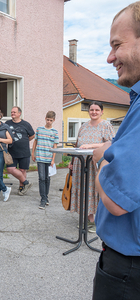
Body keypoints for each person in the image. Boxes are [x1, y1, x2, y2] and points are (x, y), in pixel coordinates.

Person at [92, 2, 140, 299]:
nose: (110, 57)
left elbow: (115, 201)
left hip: (127, 269)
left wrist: (102, 157)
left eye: (116, 45)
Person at [68, 102, 115, 233]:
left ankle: (96, 220)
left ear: (102, 111)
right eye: (91, 110)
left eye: (97, 110)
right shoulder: (83, 126)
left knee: (94, 190)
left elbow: (111, 143)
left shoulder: (106, 125)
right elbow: (77, 144)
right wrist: (72, 162)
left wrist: (90, 145)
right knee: (81, 189)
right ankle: (86, 218)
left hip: (95, 164)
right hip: (80, 163)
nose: (94, 112)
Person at [32, 111, 59, 210]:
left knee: (47, 178)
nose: (49, 122)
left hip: (49, 158)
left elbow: (55, 146)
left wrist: (53, 159)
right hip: (40, 156)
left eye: (51, 120)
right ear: (45, 118)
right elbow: (35, 141)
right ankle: (43, 199)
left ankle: (46, 197)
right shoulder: (39, 129)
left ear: (54, 120)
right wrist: (32, 153)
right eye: (47, 120)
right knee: (41, 178)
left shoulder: (55, 132)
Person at [6, 106, 35, 195]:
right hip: (12, 151)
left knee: (22, 170)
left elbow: (32, 135)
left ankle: (22, 187)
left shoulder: (26, 124)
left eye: (14, 112)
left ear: (19, 113)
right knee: (10, 169)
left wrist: (24, 141)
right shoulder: (7, 123)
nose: (12, 114)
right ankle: (26, 182)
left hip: (24, 151)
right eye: (11, 112)